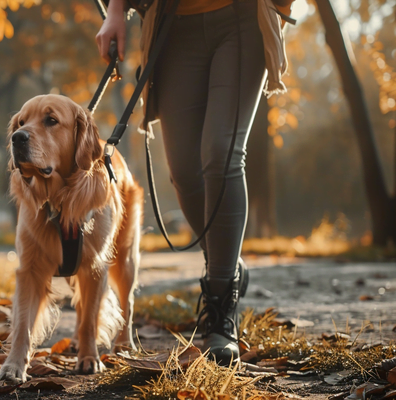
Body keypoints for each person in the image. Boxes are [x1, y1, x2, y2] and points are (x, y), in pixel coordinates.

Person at [96, 0, 293, 365]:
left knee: (221, 153)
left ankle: (221, 311)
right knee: (184, 172)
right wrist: (115, 11)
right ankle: (227, 263)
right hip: (174, 25)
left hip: (240, 18)